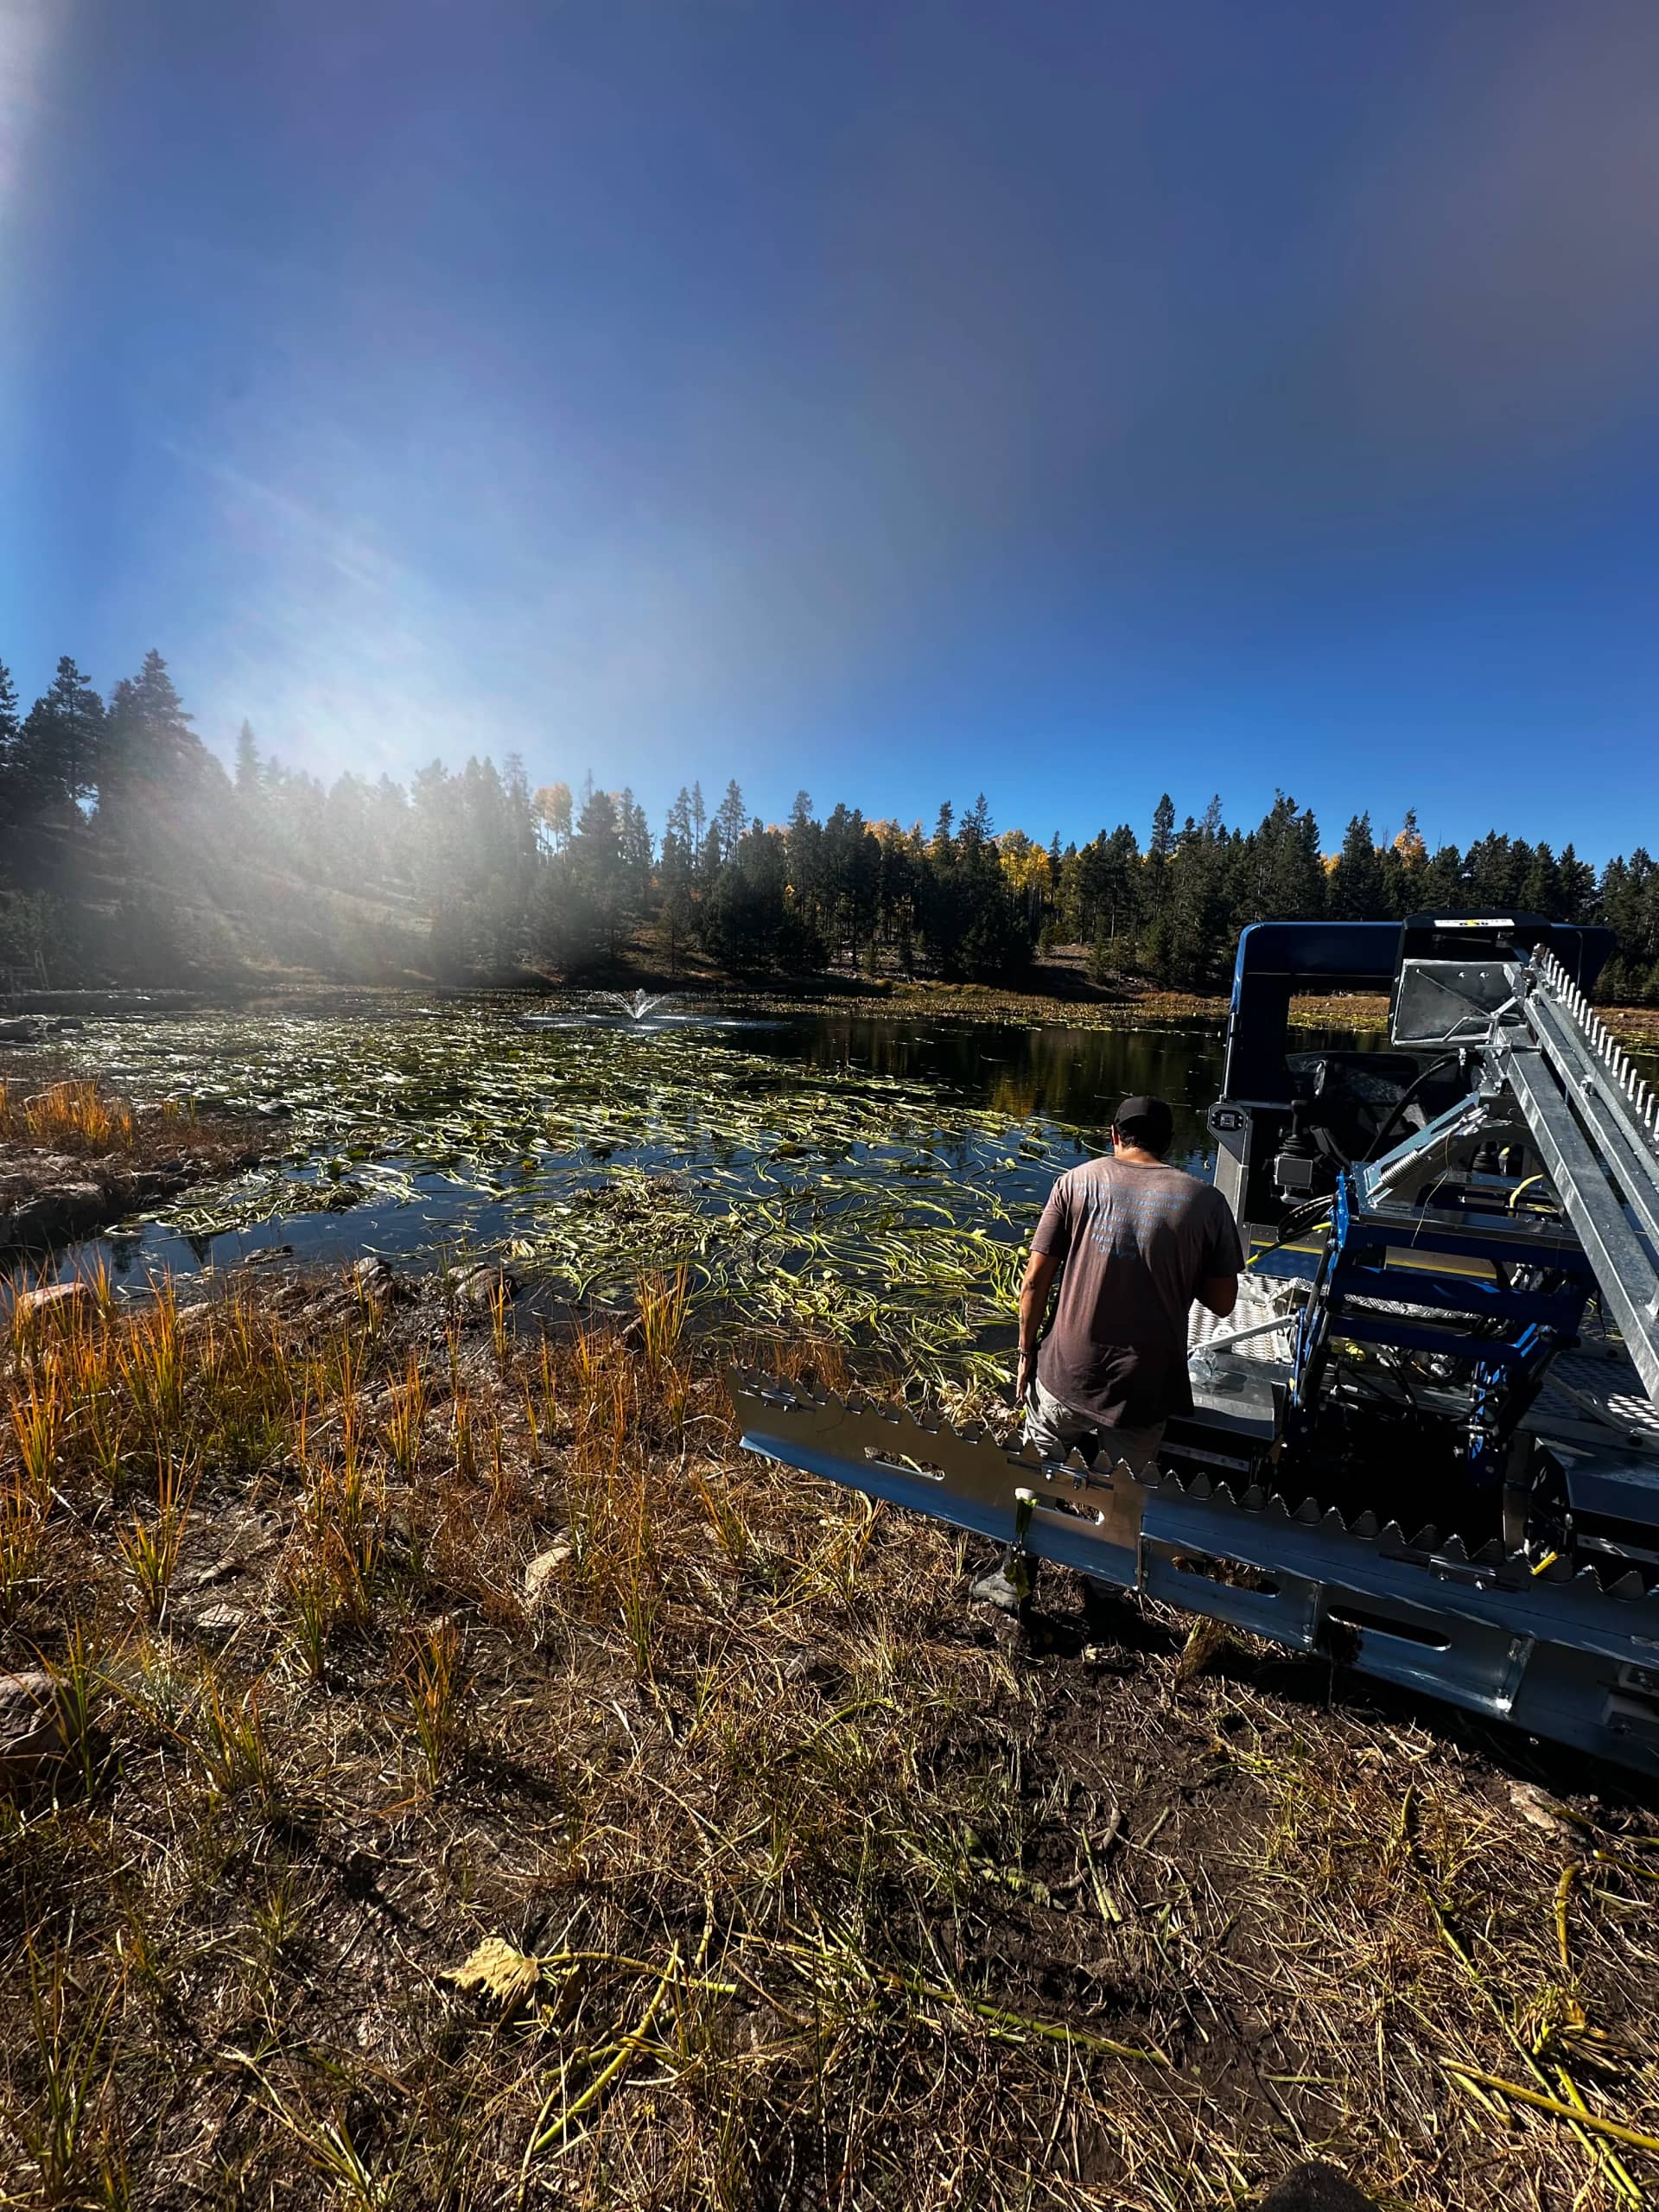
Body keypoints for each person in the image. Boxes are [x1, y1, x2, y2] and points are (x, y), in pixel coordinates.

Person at [974, 1093, 1244, 1611]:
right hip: (1144, 1388)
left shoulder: (1074, 1183)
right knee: (1122, 1497)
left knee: (1038, 1473)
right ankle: (1104, 1591)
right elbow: (1224, 1302)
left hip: (1064, 1372)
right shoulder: (1205, 1201)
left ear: (1115, 1136)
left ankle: (1017, 1577)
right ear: (1168, 1144)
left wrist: (1027, 1353)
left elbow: (1033, 1284)